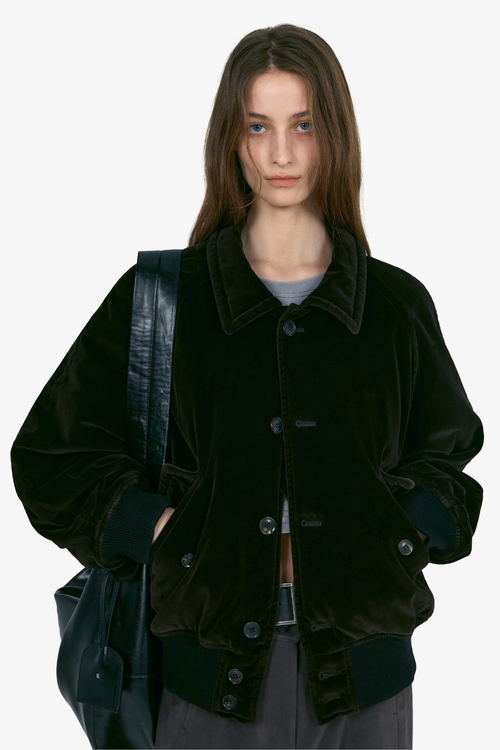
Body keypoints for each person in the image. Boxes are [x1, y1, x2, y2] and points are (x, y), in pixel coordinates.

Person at [11, 23, 484, 750]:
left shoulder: (394, 304)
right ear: (231, 140)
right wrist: (165, 533)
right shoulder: (163, 299)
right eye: (258, 126)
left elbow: (447, 458)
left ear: (335, 135)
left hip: (369, 689)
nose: (281, 153)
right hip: (210, 692)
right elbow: (52, 456)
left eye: (304, 125)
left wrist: (400, 538)